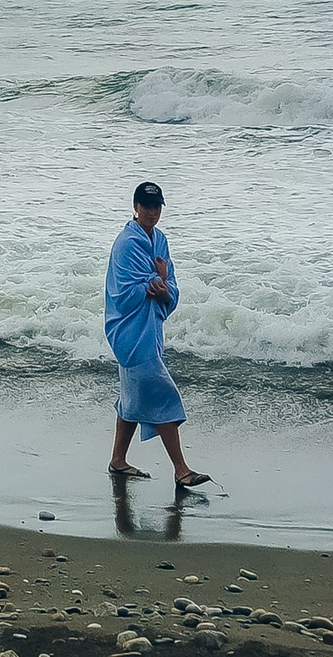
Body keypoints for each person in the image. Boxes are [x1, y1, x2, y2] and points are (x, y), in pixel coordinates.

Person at [105, 180, 209, 488]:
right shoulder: (126, 243)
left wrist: (162, 287)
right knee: (163, 395)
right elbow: (124, 292)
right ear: (135, 207)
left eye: (156, 206)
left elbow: (170, 288)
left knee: (131, 400)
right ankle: (181, 469)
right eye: (146, 206)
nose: (152, 212)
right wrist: (157, 280)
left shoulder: (160, 240)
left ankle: (118, 460)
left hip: (150, 330)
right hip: (128, 332)